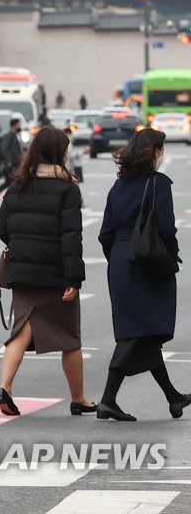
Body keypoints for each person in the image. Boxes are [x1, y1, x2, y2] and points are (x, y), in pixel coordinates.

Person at [0, 127, 94, 417]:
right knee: (69, 337)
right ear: (61, 153)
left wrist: (21, 245)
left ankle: (5, 387)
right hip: (55, 272)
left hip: (22, 270)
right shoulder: (68, 188)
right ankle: (78, 398)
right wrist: (73, 279)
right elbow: (71, 237)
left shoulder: (17, 186)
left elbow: (2, 227)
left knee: (21, 331)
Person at [97, 129, 189, 421]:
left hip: (121, 263)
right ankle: (107, 400)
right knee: (136, 333)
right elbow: (165, 227)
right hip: (148, 262)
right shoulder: (158, 184)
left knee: (143, 332)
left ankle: (173, 398)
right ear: (154, 152)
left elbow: (105, 234)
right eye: (160, 149)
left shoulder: (118, 186)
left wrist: (118, 258)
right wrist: (172, 256)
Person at [0, 118, 23, 207]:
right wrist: (9, 161)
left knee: (8, 184)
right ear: (14, 125)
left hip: (15, 164)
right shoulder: (8, 135)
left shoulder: (15, 135)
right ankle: (9, 202)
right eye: (19, 124)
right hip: (10, 166)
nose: (20, 126)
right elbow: (4, 148)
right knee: (12, 184)